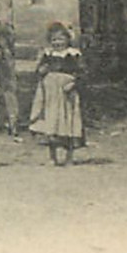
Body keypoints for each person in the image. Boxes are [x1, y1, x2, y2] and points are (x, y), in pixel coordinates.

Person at [29, 22, 86, 165]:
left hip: (67, 92)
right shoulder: (48, 54)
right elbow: (39, 70)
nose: (57, 43)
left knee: (68, 121)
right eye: (54, 40)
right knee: (51, 122)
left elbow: (82, 73)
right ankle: (52, 157)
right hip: (50, 93)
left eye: (61, 39)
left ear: (68, 39)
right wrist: (41, 71)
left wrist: (73, 84)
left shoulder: (74, 54)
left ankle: (69, 157)